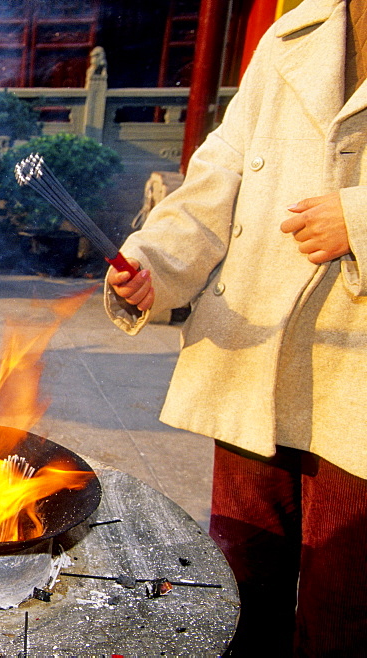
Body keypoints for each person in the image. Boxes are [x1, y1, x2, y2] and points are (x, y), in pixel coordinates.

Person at [105, 0, 367, 655]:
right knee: (243, 591)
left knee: (346, 609)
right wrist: (153, 263)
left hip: (356, 375)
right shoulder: (293, 34)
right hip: (258, 357)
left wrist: (360, 219)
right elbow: (217, 177)